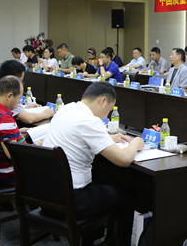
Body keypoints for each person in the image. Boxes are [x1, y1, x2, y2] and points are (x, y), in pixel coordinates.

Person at [43, 82, 144, 246]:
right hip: (74, 201)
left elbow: (78, 135)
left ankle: (91, 240)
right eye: (109, 110)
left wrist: (109, 138)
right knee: (128, 195)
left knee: (103, 178)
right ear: (102, 101)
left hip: (47, 195)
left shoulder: (66, 109)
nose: (106, 116)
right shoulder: (90, 121)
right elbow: (124, 159)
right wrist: (136, 143)